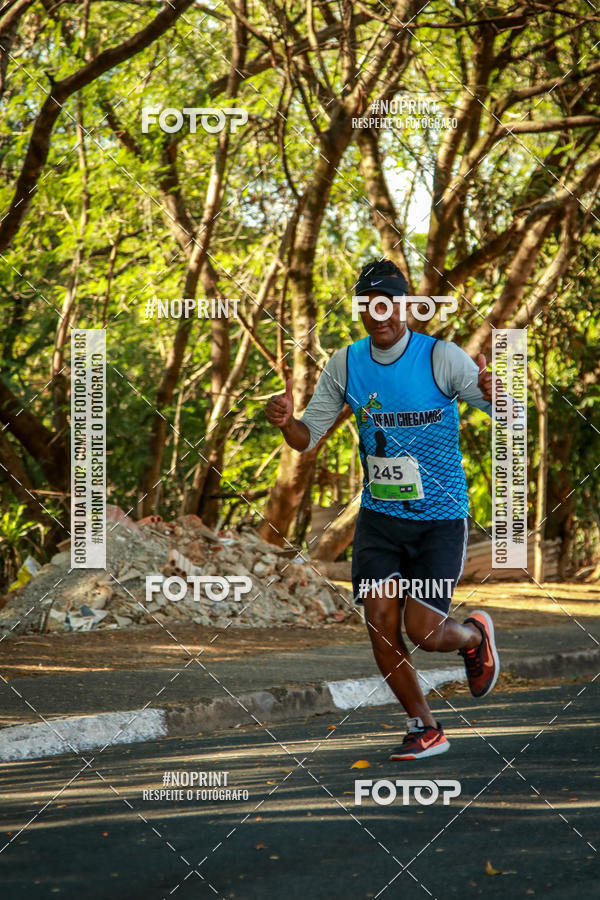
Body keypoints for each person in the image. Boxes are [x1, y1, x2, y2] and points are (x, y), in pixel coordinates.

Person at [265, 258, 500, 760]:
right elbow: (308, 438)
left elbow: (505, 412)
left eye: (389, 303)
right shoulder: (346, 364)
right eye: (370, 305)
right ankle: (424, 725)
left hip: (440, 519)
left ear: (407, 306)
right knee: (379, 619)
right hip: (380, 520)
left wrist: (495, 393)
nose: (380, 315)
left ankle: (473, 635)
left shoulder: (441, 358)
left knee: (424, 631)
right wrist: (287, 422)